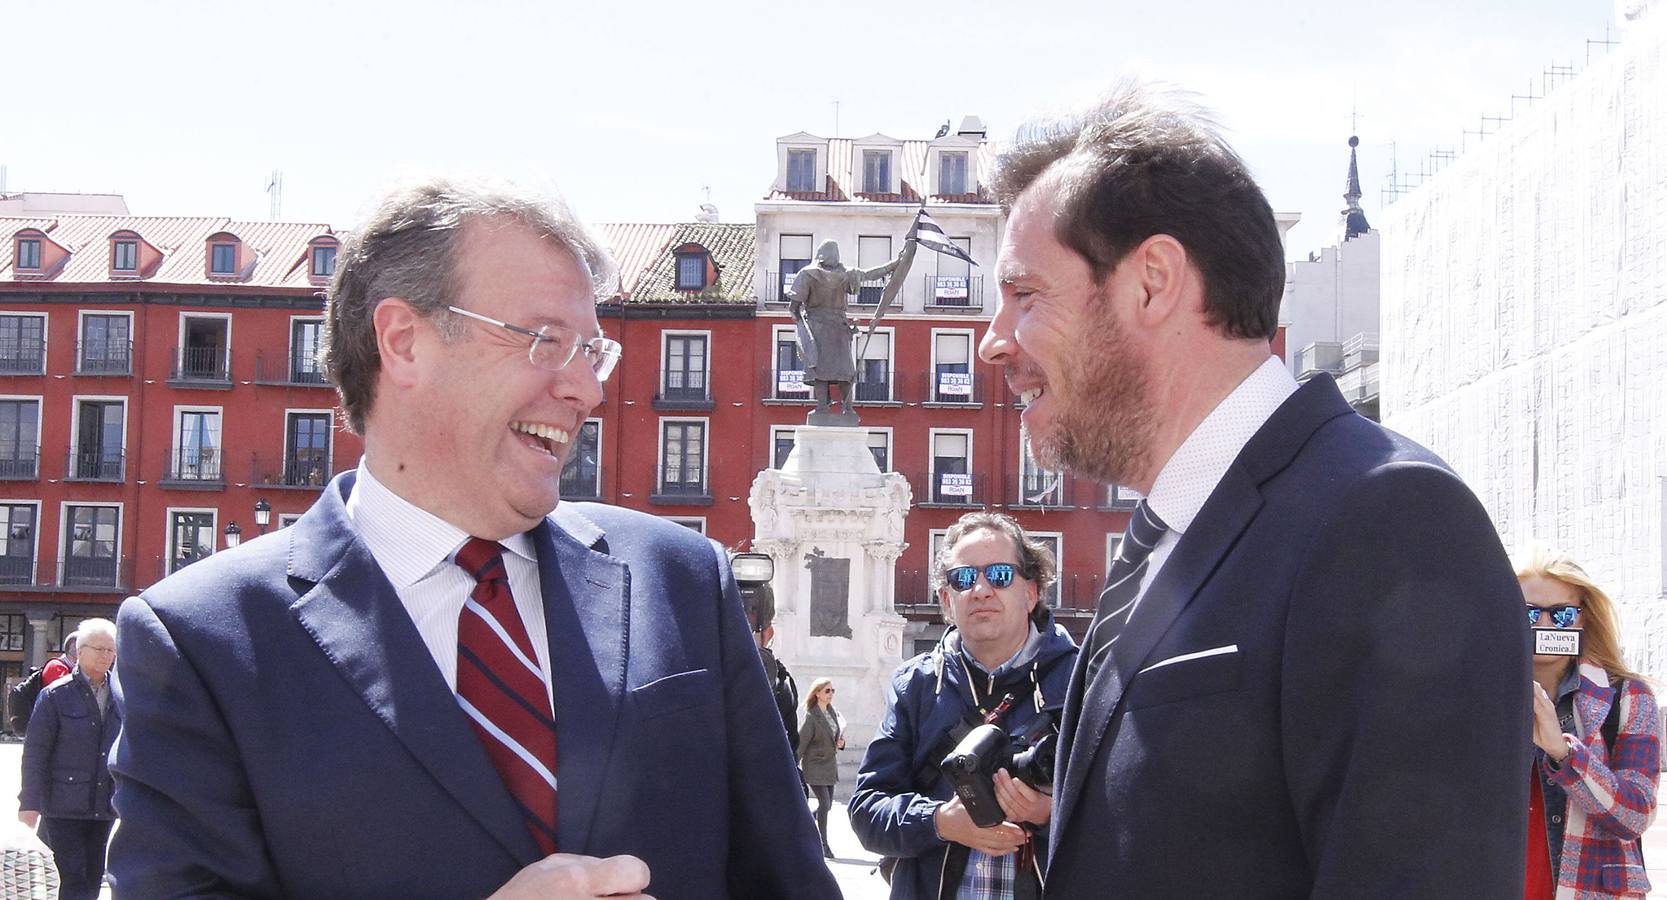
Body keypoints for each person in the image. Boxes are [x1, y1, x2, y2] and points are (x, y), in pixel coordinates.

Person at [108, 178, 839, 900]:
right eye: (546, 341)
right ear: (404, 343)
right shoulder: (200, 641)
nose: (588, 390)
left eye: (591, 351)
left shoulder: (682, 579)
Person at [978, 81, 1532, 896]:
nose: (993, 342)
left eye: (1024, 295)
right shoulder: (1165, 536)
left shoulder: (1389, 521)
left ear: (1152, 280)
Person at [851, 512, 1076, 899]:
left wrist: (1049, 814)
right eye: (964, 578)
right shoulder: (916, 685)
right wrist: (940, 821)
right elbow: (867, 810)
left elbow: (1128, 813)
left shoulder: (1081, 683)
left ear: (1031, 592)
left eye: (1000, 575)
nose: (981, 590)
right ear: (946, 600)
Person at [1518, 545, 1658, 899]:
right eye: (1528, 613)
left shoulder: (1626, 696)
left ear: (1584, 619)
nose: (1544, 625)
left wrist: (1565, 755)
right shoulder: (1479, 696)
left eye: (1562, 615)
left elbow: (1635, 815)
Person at [18, 618, 120, 900]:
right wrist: (29, 801)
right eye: (99, 649)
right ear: (80, 651)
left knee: (93, 876)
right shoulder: (55, 695)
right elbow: (36, 751)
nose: (106, 656)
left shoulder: (121, 695)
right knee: (72, 877)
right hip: (63, 804)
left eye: (111, 650)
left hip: (104, 803)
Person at [786, 240, 901, 418]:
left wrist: (801, 325)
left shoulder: (807, 274)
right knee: (845, 370)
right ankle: (848, 409)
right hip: (839, 327)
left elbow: (793, 308)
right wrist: (895, 264)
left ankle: (822, 408)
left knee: (818, 368)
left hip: (816, 328)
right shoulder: (846, 274)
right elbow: (870, 274)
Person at [797, 677, 845, 859]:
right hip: (814, 766)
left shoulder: (833, 713)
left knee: (828, 805)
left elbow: (836, 738)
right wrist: (793, 766)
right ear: (817, 693)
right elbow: (801, 743)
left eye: (832, 690)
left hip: (829, 766)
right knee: (825, 803)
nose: (831, 694)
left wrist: (841, 743)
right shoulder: (811, 717)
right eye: (827, 691)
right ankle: (823, 845)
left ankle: (807, 821)